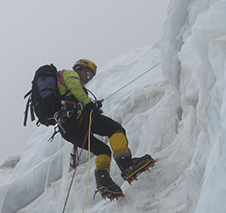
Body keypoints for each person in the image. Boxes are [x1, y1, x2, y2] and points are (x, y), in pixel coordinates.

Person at [56, 59, 154, 199]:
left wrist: (90, 105)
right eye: (88, 74)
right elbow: (75, 89)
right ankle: (127, 165)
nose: (88, 79)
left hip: (68, 130)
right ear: (79, 69)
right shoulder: (70, 75)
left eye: (91, 76)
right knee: (115, 129)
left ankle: (104, 182)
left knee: (102, 150)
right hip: (77, 120)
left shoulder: (62, 87)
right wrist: (89, 104)